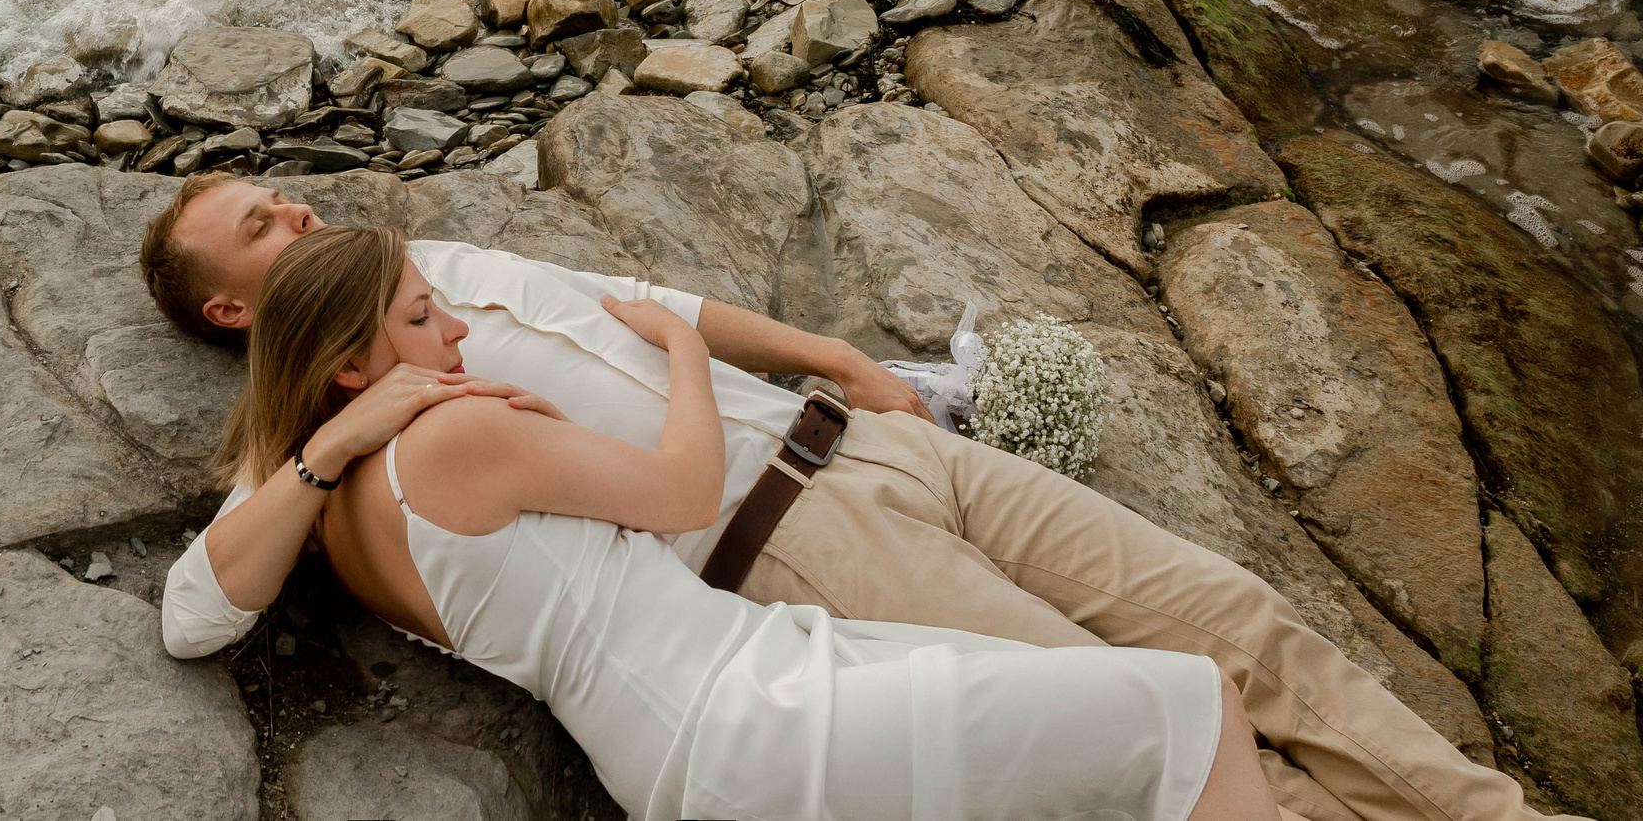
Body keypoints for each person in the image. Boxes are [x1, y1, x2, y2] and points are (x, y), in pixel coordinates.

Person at [145, 174, 1571, 821]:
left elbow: (642, 299)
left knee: (1232, 615)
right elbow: (202, 603)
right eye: (262, 224)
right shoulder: (334, 408)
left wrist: (832, 357)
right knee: (1145, 729)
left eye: (283, 193)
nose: (299, 210)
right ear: (231, 308)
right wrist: (345, 433)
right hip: (789, 549)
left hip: (872, 443)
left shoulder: (436, 262)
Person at [231, 225, 1279, 821]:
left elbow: (204, 602)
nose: (456, 327)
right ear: (350, 367)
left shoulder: (324, 504)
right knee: (1193, 705)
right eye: (422, 317)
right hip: (751, 714)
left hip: (711, 722)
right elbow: (687, 492)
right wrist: (682, 350)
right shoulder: (451, 438)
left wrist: (330, 445)